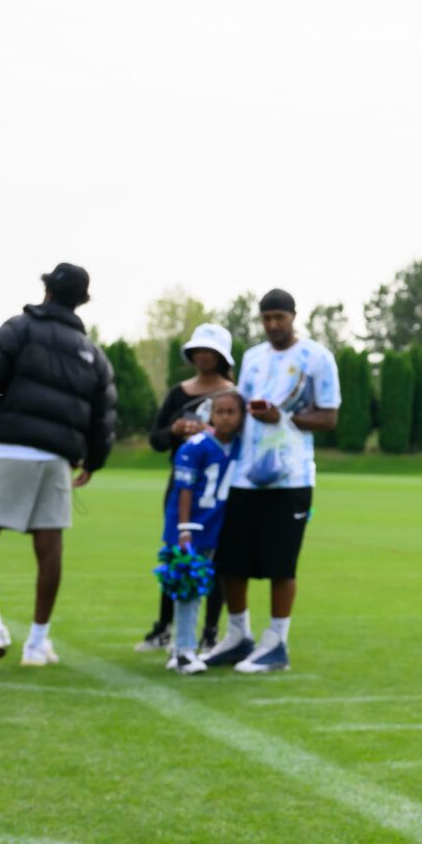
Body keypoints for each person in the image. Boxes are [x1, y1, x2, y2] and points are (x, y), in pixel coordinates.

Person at [0, 262, 115, 670]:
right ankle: (37, 644)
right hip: (56, 461)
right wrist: (95, 460)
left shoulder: (18, 329)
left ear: (47, 291)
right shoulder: (94, 354)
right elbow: (103, 414)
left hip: (7, 450)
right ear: (82, 301)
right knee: (49, 550)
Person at [201, 289, 339, 674]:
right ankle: (238, 636)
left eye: (280, 317)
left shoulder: (317, 357)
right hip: (245, 472)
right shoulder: (253, 357)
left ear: (294, 316)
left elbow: (329, 418)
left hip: (290, 475)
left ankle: (276, 643)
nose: (273, 325)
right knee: (231, 562)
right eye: (267, 318)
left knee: (280, 565)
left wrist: (282, 416)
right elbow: (242, 408)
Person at [135, 322, 236, 652]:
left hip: (220, 488)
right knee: (177, 551)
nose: (203, 356)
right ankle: (164, 628)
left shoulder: (233, 394)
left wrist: (210, 429)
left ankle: (209, 632)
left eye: (210, 351)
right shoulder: (179, 392)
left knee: (217, 558)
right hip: (182, 484)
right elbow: (156, 439)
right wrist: (176, 430)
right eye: (198, 351)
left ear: (222, 356)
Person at [162, 388, 244, 675]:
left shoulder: (239, 446)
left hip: (213, 527)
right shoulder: (195, 446)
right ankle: (185, 650)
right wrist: (184, 529)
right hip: (190, 528)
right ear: (211, 414)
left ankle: (179, 649)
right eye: (219, 411)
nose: (224, 417)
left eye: (231, 412)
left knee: (198, 588)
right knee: (189, 588)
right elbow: (184, 489)